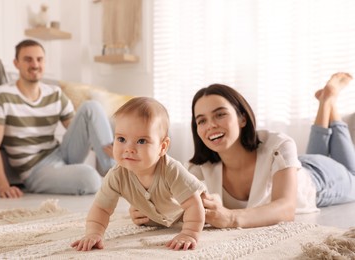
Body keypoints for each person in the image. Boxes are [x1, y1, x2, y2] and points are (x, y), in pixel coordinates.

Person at [130, 72, 355, 229]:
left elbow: (286, 208)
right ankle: (327, 102)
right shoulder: (200, 169)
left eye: (220, 114)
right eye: (202, 120)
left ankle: (328, 102)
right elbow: (186, 208)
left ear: (242, 118)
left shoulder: (279, 144)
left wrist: (231, 218)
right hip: (294, 166)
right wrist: (153, 214)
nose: (211, 125)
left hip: (321, 178)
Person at [0, 39, 115, 198]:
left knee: (91, 107)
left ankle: (116, 173)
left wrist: (107, 144)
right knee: (91, 178)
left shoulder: (55, 93)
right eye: (28, 59)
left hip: (61, 153)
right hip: (35, 170)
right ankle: (114, 181)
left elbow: (80, 127)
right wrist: (3, 186)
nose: (35, 64)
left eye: (39, 59)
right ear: (16, 63)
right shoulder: (1, 96)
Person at [71, 97, 206, 251]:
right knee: (142, 217)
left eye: (141, 141)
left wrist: (189, 233)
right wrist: (93, 233)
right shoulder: (116, 175)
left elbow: (193, 205)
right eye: (121, 139)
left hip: (195, 206)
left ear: (163, 147)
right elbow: (101, 208)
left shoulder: (172, 170)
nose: (129, 149)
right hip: (160, 215)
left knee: (209, 213)